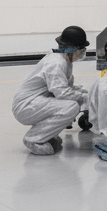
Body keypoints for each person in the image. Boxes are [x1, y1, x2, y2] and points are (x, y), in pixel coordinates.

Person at [12, 26, 89, 155]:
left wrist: (85, 93)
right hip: (26, 106)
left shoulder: (63, 60)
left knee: (76, 98)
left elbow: (64, 88)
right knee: (71, 107)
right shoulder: (56, 63)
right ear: (72, 48)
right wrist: (86, 98)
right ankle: (33, 139)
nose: (82, 52)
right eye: (81, 49)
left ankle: (45, 134)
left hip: (35, 102)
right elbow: (62, 93)